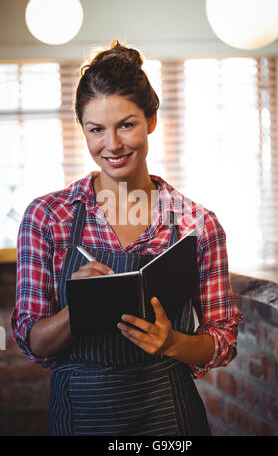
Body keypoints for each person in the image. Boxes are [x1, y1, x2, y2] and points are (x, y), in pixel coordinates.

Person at [11, 39, 243, 436]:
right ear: (82, 128)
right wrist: (77, 309)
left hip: (169, 416)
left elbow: (223, 339)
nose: (112, 145)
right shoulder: (48, 218)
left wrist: (173, 342)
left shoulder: (196, 224)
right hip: (80, 415)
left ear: (151, 121)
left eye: (127, 125)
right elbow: (33, 341)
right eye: (96, 129)